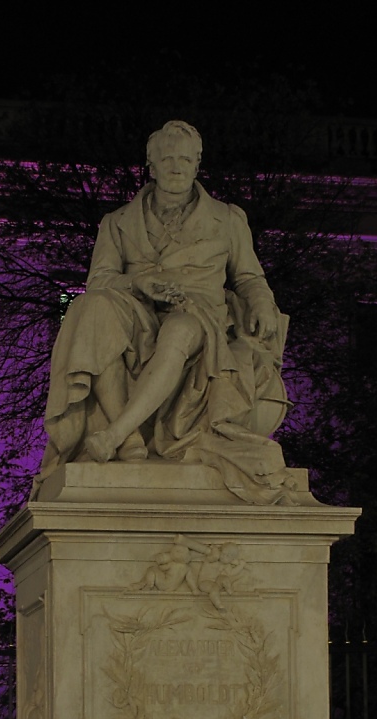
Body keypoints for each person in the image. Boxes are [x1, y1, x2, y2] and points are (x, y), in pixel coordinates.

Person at [37, 120, 296, 503]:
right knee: (92, 311)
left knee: (178, 330)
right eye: (167, 158)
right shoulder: (117, 222)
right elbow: (101, 280)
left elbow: (249, 277)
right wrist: (138, 284)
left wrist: (260, 302)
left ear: (197, 165)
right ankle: (131, 442)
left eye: (185, 159)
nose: (176, 167)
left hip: (200, 312)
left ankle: (117, 433)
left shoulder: (227, 219)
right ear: (151, 165)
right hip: (138, 308)